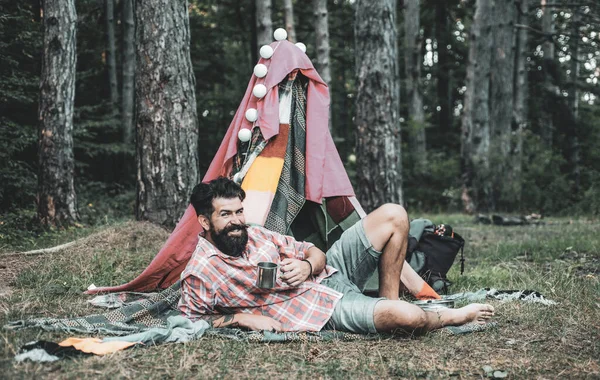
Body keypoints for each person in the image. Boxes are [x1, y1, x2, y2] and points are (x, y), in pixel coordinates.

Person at [178, 177, 494, 334]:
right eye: (226, 215)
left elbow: (314, 251)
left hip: (330, 271)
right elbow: (193, 320)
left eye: (239, 211)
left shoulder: (255, 232)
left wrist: (305, 265)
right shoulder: (202, 272)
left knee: (394, 214)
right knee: (408, 318)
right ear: (205, 222)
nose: (237, 221)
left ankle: (388, 299)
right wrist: (242, 317)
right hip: (318, 309)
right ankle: (454, 316)